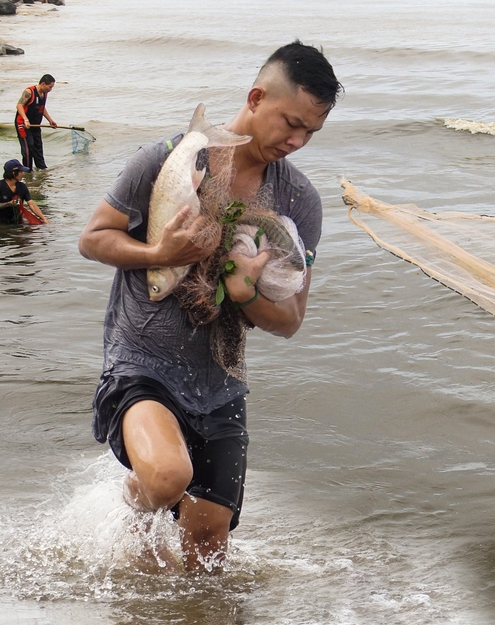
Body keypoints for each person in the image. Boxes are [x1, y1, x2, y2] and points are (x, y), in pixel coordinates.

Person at [77, 41, 342, 570]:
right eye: (290, 123)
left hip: (220, 381)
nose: (297, 141)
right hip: (141, 364)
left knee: (207, 552)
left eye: (310, 132)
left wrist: (244, 297)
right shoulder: (167, 159)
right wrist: (158, 253)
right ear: (255, 97)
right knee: (167, 476)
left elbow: (290, 321)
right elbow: (93, 238)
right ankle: (132, 503)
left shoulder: (299, 202)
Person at [15, 74, 58, 170]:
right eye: (50, 87)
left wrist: (50, 120)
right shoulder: (29, 92)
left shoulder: (44, 94)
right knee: (28, 148)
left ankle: (42, 170)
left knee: (38, 147)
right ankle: (27, 172)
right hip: (23, 124)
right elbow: (19, 106)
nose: (50, 89)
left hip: (35, 124)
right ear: (43, 84)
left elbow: (41, 108)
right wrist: (25, 120)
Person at [0, 159, 49, 224]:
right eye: (21, 172)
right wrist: (9, 203)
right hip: (0, 224)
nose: (22, 174)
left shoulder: (22, 187)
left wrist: (43, 218)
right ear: (14, 173)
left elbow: (31, 204)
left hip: (18, 222)